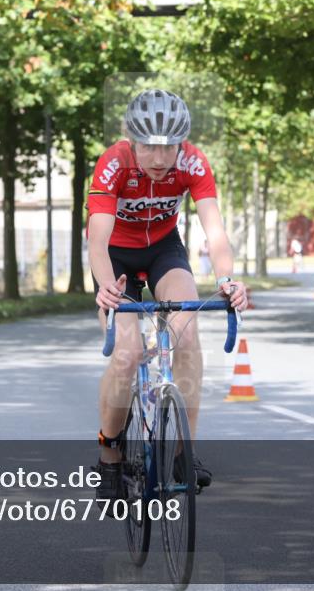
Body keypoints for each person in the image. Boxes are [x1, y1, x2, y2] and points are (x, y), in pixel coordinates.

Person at [86, 89, 249, 508]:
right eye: (149, 148)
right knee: (127, 353)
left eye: (169, 148)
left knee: (188, 334)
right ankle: (109, 456)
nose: (160, 159)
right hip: (116, 256)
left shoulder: (193, 163)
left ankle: (183, 455)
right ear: (132, 140)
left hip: (163, 250)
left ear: (182, 144)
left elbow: (214, 232)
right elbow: (98, 242)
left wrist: (228, 280)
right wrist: (107, 288)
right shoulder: (113, 164)